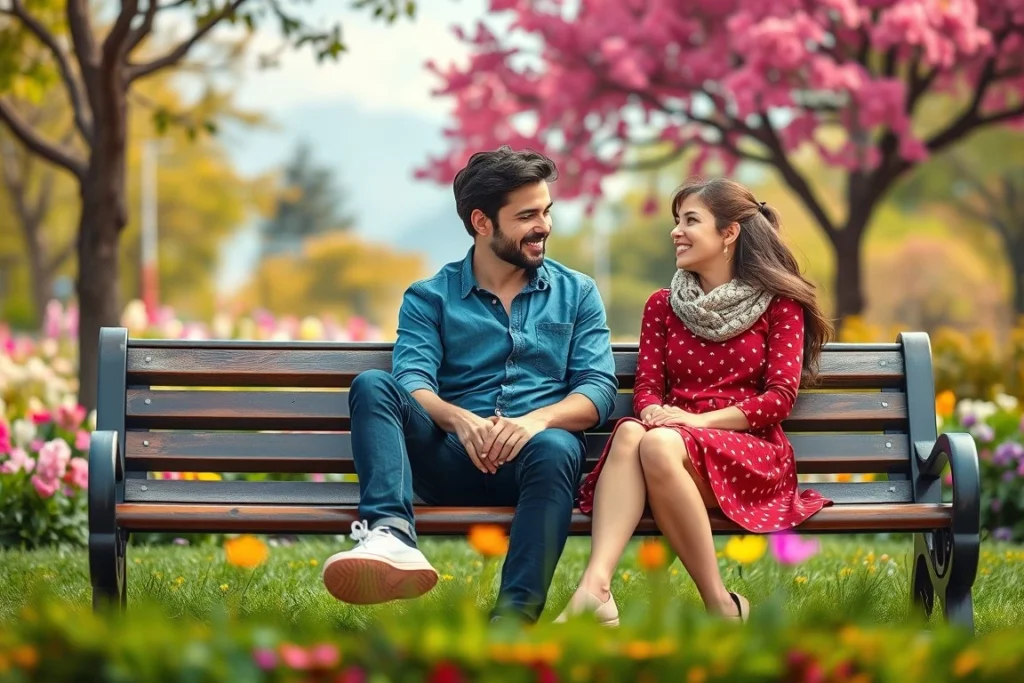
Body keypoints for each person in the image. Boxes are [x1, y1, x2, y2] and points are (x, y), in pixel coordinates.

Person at [320, 146, 618, 623]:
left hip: (536, 468)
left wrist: (532, 423)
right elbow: (412, 378)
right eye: (526, 216)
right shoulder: (429, 297)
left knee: (559, 445)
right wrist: (459, 421)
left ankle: (513, 621)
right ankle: (392, 536)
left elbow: (598, 388)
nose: (543, 226)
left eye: (546, 212)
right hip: (449, 462)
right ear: (483, 222)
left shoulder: (576, 292)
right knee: (374, 384)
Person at [556, 177, 834, 626]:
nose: (676, 231)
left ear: (729, 233)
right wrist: (651, 411)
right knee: (632, 431)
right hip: (669, 450)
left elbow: (778, 400)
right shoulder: (662, 306)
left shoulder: (780, 304)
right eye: (676, 220)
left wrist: (692, 423)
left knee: (656, 442)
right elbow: (647, 387)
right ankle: (596, 589)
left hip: (748, 452)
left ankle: (720, 604)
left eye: (690, 220)